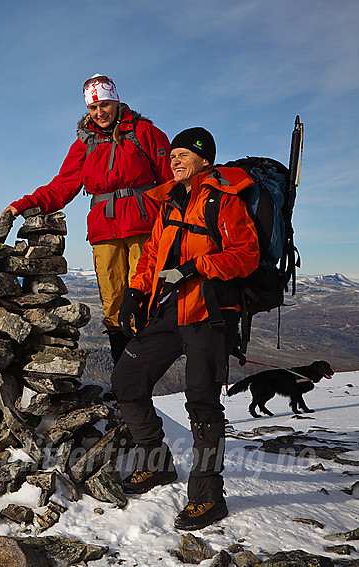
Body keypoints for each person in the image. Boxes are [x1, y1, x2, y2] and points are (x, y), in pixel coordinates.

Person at [111, 127, 260, 531]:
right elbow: (153, 255)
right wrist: (135, 293)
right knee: (127, 379)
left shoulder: (223, 201)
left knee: (203, 405)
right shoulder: (170, 202)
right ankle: (156, 464)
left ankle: (208, 496)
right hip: (167, 311)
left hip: (209, 316)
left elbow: (246, 255)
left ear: (205, 160)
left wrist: (199, 266)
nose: (174, 160)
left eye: (184, 155)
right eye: (172, 154)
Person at [3, 74, 171, 363]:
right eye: (94, 108)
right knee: (113, 303)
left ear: (116, 102)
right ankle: (123, 378)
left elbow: (169, 181)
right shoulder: (85, 144)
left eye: (105, 104)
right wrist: (24, 204)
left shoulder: (146, 133)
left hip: (146, 227)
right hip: (105, 232)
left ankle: (144, 375)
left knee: (145, 298)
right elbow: (61, 188)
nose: (100, 113)